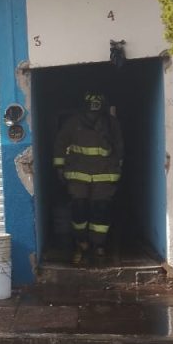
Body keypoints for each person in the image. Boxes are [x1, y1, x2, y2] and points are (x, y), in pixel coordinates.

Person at [53, 91, 123, 265]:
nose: (93, 113)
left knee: (101, 209)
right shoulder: (72, 123)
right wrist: (59, 167)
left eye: (96, 109)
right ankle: (81, 242)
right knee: (79, 209)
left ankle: (98, 244)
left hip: (104, 174)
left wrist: (117, 168)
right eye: (91, 109)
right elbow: (60, 144)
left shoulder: (111, 124)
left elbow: (119, 146)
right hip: (78, 174)